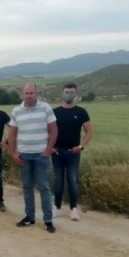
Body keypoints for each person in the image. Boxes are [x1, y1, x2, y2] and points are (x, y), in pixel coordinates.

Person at [7, 83, 58, 233]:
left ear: (36, 93)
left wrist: (48, 151)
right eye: (26, 93)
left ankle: (48, 220)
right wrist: (13, 153)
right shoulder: (17, 111)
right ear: (22, 94)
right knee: (27, 187)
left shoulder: (45, 108)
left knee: (44, 187)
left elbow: (54, 130)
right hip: (24, 155)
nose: (29, 96)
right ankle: (30, 217)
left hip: (41, 155)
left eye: (31, 93)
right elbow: (12, 134)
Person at [52, 83, 93, 221]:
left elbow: (89, 132)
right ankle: (56, 207)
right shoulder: (54, 112)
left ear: (75, 93)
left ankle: (74, 209)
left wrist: (81, 146)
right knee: (58, 181)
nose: (69, 94)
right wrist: (50, 147)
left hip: (73, 153)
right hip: (56, 152)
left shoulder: (81, 112)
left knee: (73, 180)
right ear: (62, 93)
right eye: (67, 92)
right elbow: (48, 131)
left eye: (71, 92)